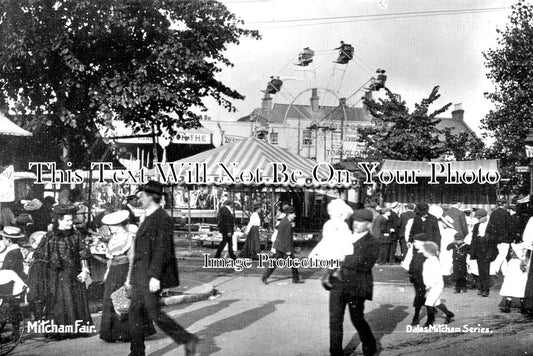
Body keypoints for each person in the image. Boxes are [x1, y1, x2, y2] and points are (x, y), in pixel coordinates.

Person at [129, 181, 198, 356]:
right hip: (140, 273)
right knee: (135, 312)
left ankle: (187, 339)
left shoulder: (162, 218)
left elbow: (162, 249)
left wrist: (155, 276)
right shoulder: (148, 215)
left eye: (142, 195)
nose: (140, 198)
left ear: (151, 197)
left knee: (154, 313)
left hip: (149, 274)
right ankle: (137, 352)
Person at [33, 204, 93, 339]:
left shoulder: (76, 235)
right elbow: (39, 255)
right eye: (67, 220)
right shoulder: (49, 236)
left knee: (73, 300)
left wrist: (85, 270)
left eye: (71, 220)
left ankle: (75, 329)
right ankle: (59, 330)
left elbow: (83, 253)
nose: (70, 223)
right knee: (57, 302)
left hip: (72, 274)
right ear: (59, 220)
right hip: (54, 276)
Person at [328, 208, 380, 356]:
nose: (357, 224)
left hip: (357, 286)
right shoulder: (345, 237)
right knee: (335, 319)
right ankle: (335, 352)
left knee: (357, 318)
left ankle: (370, 345)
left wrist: (341, 259)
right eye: (355, 220)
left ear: (369, 224)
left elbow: (364, 264)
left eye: (361, 221)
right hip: (338, 283)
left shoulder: (373, 242)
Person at [99, 210, 155, 343]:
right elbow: (111, 258)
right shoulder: (114, 239)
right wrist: (107, 272)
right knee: (111, 300)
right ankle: (113, 332)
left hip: (124, 271)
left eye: (112, 226)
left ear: (119, 225)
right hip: (114, 271)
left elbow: (132, 259)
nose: (110, 228)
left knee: (125, 300)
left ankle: (126, 333)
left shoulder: (129, 238)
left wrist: (129, 279)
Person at [261, 206, 303, 284]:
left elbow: (278, 228)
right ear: (289, 214)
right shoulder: (287, 223)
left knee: (284, 263)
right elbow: (287, 238)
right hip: (283, 247)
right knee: (291, 263)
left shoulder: (284, 221)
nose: (295, 216)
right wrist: (288, 251)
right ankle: (265, 277)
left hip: (280, 245)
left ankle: (265, 276)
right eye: (293, 214)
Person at [418, 241, 455, 326]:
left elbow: (436, 275)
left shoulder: (433, 261)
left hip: (435, 286)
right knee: (436, 303)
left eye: (424, 251)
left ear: (428, 252)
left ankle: (429, 322)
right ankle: (449, 314)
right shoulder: (429, 260)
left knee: (429, 303)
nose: (423, 253)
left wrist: (429, 285)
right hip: (431, 285)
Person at [469, 208, 498, 297]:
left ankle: (486, 289)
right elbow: (473, 239)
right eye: (477, 218)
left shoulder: (492, 225)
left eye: (480, 218)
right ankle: (481, 288)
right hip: (478, 250)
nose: (479, 219)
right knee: (480, 270)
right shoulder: (476, 225)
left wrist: (490, 253)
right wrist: (472, 251)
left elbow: (494, 241)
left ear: (485, 217)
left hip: (487, 249)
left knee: (486, 270)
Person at [499, 242, 529, 313]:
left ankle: (523, 306)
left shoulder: (525, 244)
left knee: (521, 284)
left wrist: (524, 263)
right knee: (511, 284)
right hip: (513, 264)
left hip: (520, 264)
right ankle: (507, 306)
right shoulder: (514, 244)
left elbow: (526, 255)